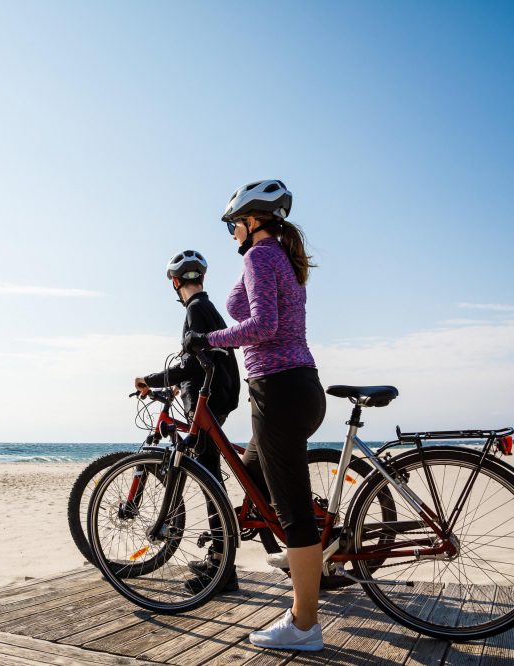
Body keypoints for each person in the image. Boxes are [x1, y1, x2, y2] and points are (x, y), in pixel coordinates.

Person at [185, 179, 327, 652]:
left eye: (233, 224)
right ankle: (299, 556)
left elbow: (263, 326)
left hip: (279, 389)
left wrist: (208, 340)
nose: (231, 233)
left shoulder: (262, 257)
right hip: (295, 386)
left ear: (250, 221)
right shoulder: (277, 256)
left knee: (295, 514)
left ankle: (304, 625)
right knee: (251, 477)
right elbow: (250, 309)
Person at [133, 249, 242, 593]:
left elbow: (194, 363)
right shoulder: (207, 308)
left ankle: (222, 569)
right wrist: (176, 384)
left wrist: (151, 379)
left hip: (207, 401)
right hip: (217, 396)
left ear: (175, 282)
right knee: (211, 476)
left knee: (211, 481)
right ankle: (218, 559)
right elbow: (202, 360)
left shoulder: (196, 309)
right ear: (202, 278)